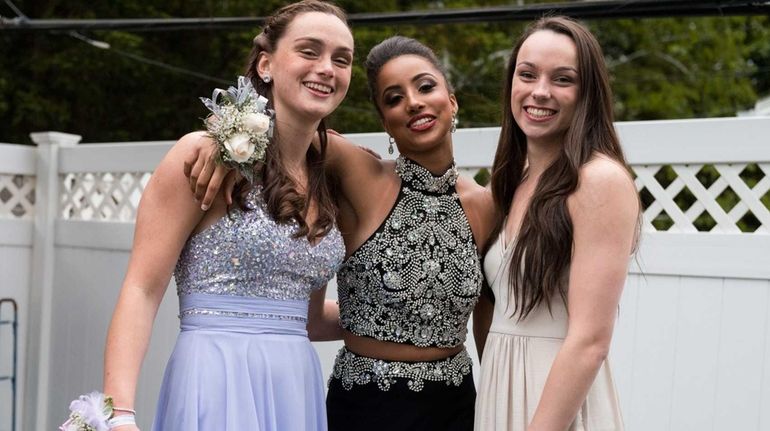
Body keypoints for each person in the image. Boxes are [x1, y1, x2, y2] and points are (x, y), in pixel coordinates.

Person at [186, 36, 495, 431]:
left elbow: (489, 321)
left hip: (456, 408)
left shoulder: (485, 205)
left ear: (451, 101)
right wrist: (219, 143)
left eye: (425, 86)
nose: (413, 102)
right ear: (385, 122)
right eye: (394, 98)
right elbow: (281, 125)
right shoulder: (357, 172)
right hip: (367, 410)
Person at [102, 1, 353, 430]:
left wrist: (405, 316)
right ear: (266, 64)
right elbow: (142, 289)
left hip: (295, 384)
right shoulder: (205, 157)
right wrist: (117, 414)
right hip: (216, 375)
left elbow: (310, 318)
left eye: (341, 59)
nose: (327, 68)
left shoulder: (329, 176)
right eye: (309, 52)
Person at [474, 17, 640, 431]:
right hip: (500, 390)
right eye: (527, 74)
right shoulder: (515, 180)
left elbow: (590, 341)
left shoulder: (599, 180)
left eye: (562, 79)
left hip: (555, 406)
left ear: (587, 93)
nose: (540, 91)